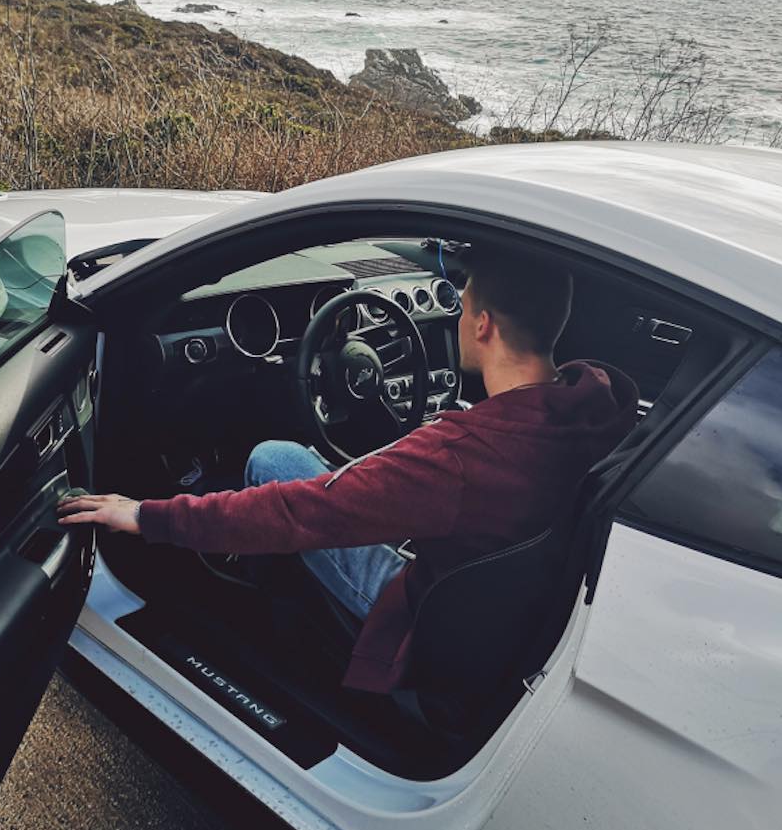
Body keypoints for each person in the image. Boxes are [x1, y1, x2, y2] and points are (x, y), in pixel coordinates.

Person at [58, 246, 638, 694]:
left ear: (482, 325)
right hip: (496, 594)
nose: (460, 320)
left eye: (460, 308)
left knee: (272, 462)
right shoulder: (601, 401)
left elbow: (301, 511)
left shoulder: (461, 453)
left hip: (426, 618)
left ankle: (254, 617)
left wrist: (146, 515)